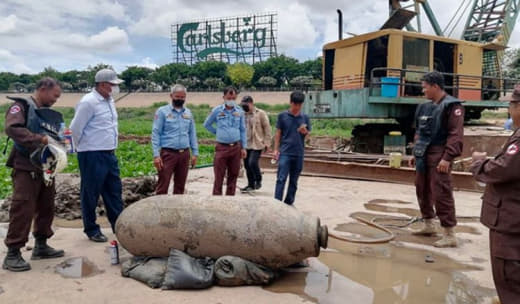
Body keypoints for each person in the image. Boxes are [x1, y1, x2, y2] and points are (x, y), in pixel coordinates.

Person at [3, 77, 65, 272]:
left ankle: (41, 245)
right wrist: (40, 139)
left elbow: (54, 136)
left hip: (46, 166)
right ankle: (13, 253)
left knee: (46, 206)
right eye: (55, 95)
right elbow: (12, 129)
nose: (56, 100)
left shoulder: (49, 114)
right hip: (25, 165)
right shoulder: (21, 107)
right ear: (43, 89)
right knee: (23, 208)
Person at [471, 85, 520, 304]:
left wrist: (479, 163)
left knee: (508, 274)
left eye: (511, 105)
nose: (510, 110)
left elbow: (502, 170)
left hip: (511, 221)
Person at [408, 71, 464, 248]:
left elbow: (456, 135)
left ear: (435, 86)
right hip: (422, 154)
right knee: (421, 188)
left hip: (440, 153)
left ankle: (449, 233)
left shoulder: (452, 106)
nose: (423, 91)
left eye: (425, 87)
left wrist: (447, 158)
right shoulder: (423, 107)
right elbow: (419, 132)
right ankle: (428, 224)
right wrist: (414, 153)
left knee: (441, 191)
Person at [70, 69, 124, 243]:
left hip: (109, 153)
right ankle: (91, 229)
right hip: (91, 154)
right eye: (113, 84)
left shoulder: (109, 101)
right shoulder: (88, 102)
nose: (116, 88)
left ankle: (119, 226)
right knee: (90, 192)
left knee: (114, 191)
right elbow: (75, 129)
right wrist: (83, 149)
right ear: (102, 84)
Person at [152, 84, 198, 194]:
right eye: (177, 97)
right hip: (168, 154)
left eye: (182, 97)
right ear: (171, 96)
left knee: (180, 186)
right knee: (163, 184)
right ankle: (160, 209)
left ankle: (177, 209)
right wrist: (156, 155)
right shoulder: (162, 111)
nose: (180, 99)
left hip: (184, 154)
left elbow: (192, 134)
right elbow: (156, 133)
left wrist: (195, 153)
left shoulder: (188, 113)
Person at [203, 86, 247, 195]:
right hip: (222, 148)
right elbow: (207, 124)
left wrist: (243, 147)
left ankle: (230, 199)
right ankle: (217, 200)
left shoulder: (239, 111)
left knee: (233, 175)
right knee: (219, 175)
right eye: (229, 98)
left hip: (236, 148)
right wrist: (217, 132)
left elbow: (242, 130)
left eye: (233, 98)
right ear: (224, 97)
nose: (231, 100)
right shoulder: (217, 110)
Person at [273, 91, 311, 205]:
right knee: (281, 178)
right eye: (295, 104)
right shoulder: (282, 116)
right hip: (285, 152)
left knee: (294, 181)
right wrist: (276, 149)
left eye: (300, 105)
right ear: (290, 103)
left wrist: (305, 132)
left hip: (298, 153)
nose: (297, 107)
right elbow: (278, 133)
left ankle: (289, 203)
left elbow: (309, 138)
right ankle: (277, 203)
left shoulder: (305, 118)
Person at [239, 95, 272, 192]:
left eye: (246, 104)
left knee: (252, 162)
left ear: (251, 103)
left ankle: (258, 179)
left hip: (257, 143)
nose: (244, 107)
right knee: (246, 165)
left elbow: (267, 128)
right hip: (246, 143)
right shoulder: (242, 114)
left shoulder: (260, 113)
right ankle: (250, 185)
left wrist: (267, 143)